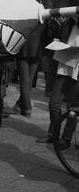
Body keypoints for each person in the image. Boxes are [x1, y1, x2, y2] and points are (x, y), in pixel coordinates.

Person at [36, 13, 79, 149]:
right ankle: (53, 133)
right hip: (63, 64)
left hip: (77, 68)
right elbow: (54, 37)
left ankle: (66, 138)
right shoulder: (68, 24)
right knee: (54, 103)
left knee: (73, 107)